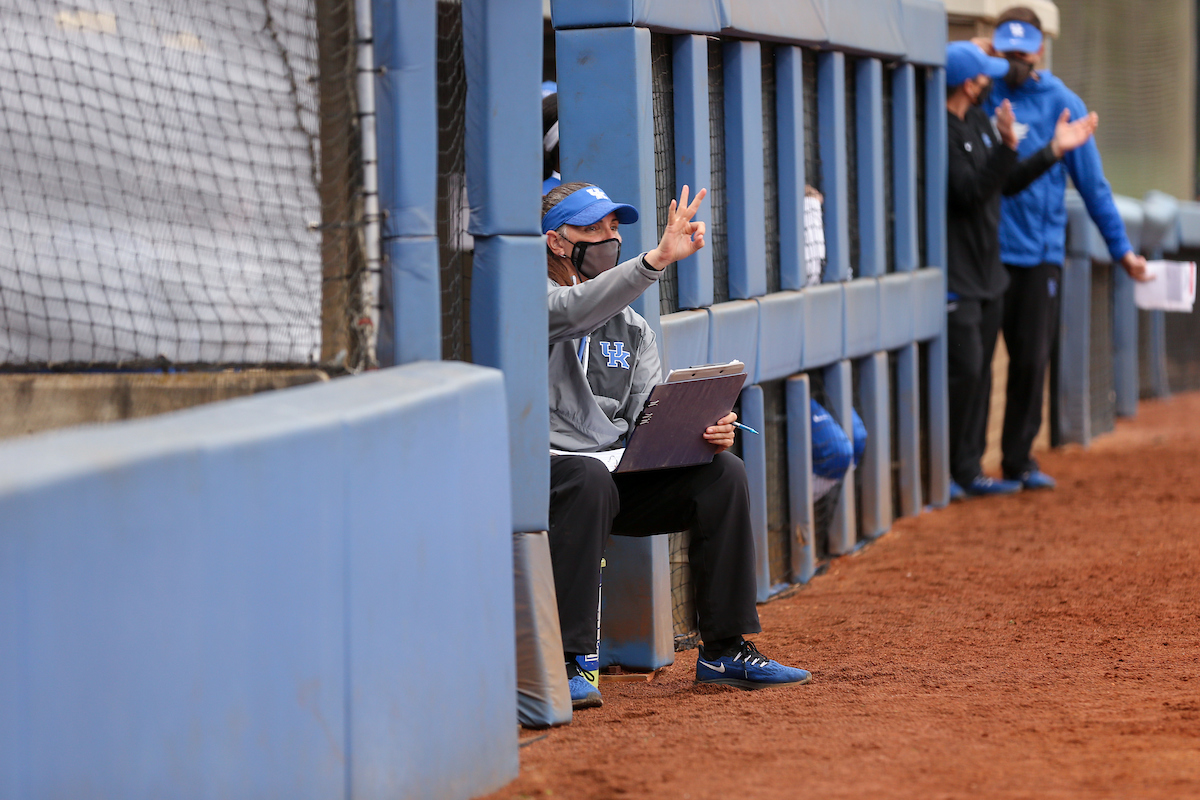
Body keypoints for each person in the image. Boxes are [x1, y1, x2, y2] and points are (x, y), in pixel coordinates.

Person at [543, 181, 811, 709]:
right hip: (548, 475)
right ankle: (571, 661)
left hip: (616, 474)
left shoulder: (633, 328)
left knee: (722, 474)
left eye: (615, 228)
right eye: (593, 228)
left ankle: (724, 650)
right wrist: (657, 259)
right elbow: (575, 309)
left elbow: (647, 414)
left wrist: (699, 432)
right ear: (556, 242)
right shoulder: (531, 300)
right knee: (589, 477)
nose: (608, 238)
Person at [981, 7, 1150, 491]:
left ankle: (1017, 460)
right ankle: (968, 467)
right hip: (988, 254)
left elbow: (1094, 188)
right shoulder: (985, 93)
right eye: (1005, 52)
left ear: (1039, 50)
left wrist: (1122, 252)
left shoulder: (1063, 102)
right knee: (975, 363)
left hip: (1039, 256)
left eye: (1022, 51)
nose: (1015, 61)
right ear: (996, 50)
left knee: (1032, 360)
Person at [944, 40, 1099, 500]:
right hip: (960, 271)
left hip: (988, 271)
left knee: (983, 372)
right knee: (968, 370)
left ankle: (971, 471)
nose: (991, 79)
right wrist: (1007, 147)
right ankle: (955, 470)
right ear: (971, 85)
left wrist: (1048, 149)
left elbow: (1004, 183)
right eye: (983, 74)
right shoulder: (943, 128)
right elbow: (969, 191)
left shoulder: (976, 119)